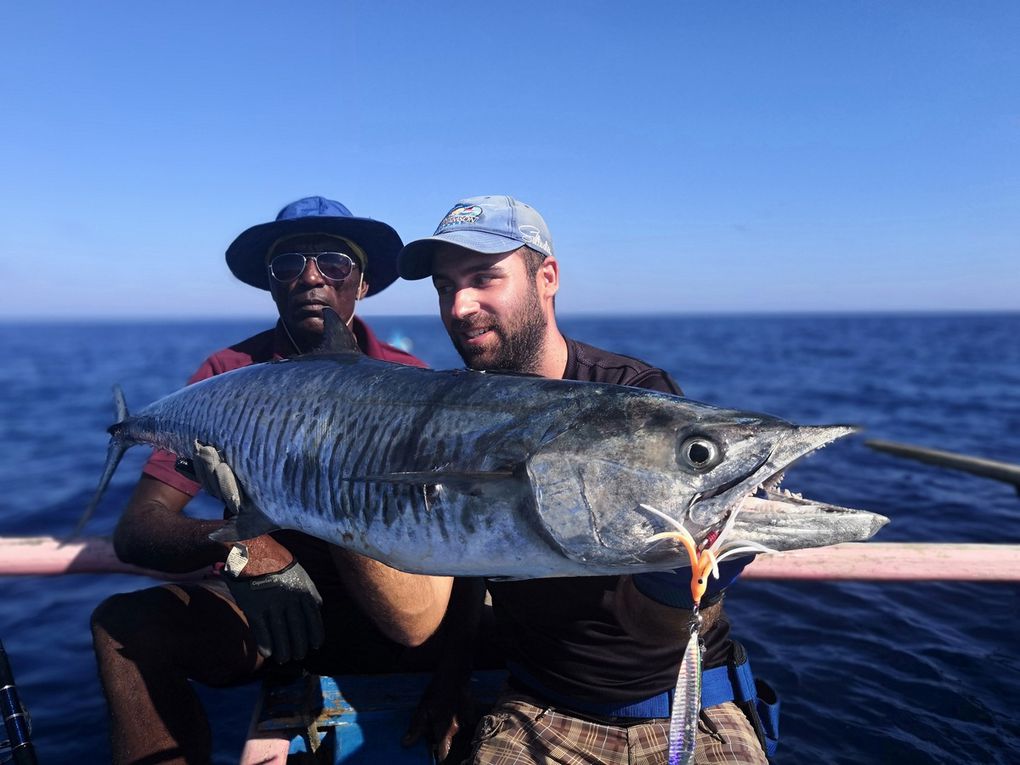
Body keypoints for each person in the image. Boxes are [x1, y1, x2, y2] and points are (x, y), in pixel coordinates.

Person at [396, 196, 778, 764]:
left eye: (484, 278)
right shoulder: (459, 406)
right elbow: (473, 552)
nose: (460, 305)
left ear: (545, 278)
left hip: (679, 705)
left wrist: (686, 580)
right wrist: (449, 681)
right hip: (536, 707)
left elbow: (656, 626)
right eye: (445, 286)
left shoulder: (634, 402)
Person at [90, 196, 453, 765]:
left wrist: (452, 675)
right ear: (270, 284)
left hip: (385, 612)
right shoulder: (225, 377)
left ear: (362, 283)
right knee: (123, 625)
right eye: (289, 265)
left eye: (333, 263)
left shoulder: (410, 384)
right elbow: (138, 530)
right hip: (265, 618)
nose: (311, 277)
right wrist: (245, 546)